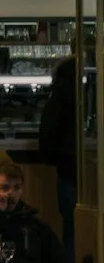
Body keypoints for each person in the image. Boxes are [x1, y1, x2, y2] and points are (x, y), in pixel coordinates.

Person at [37, 59, 79, 227]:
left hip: (68, 166)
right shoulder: (82, 87)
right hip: (76, 164)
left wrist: (51, 158)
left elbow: (49, 128)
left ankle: (71, 254)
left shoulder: (60, 90)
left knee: (70, 225)